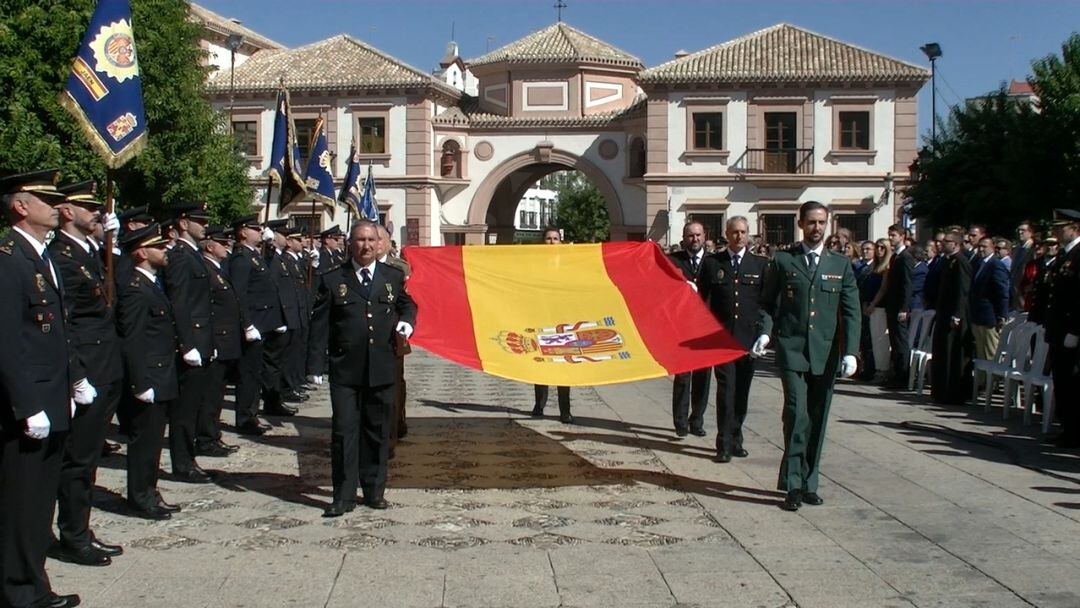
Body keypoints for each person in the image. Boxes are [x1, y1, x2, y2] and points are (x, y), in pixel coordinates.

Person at [0, 169, 81, 608]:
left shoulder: (40, 255)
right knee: (22, 503)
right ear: (20, 206)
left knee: (38, 505)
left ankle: (33, 583)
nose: (57, 206)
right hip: (28, 405)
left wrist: (73, 382)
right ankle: (18, 591)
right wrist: (27, 404)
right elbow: (6, 339)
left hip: (53, 398)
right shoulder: (8, 257)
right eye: (46, 198)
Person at [754, 201, 860, 512]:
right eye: (811, 222)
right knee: (796, 414)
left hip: (825, 352)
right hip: (792, 350)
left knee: (818, 417)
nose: (817, 228)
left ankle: (810, 481)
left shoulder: (839, 265)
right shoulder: (785, 261)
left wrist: (851, 351)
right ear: (801, 224)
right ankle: (793, 483)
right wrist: (765, 332)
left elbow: (852, 312)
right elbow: (768, 303)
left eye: (822, 223)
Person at [308, 221, 416, 517]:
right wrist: (315, 363)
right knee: (344, 432)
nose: (366, 245)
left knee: (378, 431)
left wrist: (407, 321)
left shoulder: (391, 276)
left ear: (379, 242)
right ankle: (342, 496)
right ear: (350, 243)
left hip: (382, 368)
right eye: (360, 240)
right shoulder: (332, 279)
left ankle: (373, 490)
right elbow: (319, 326)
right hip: (345, 370)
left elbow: (408, 305)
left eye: (371, 240)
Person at [47, 181, 124, 567]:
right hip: (88, 372)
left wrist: (109, 242)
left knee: (87, 459)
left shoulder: (86, 253)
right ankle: (72, 534)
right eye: (87, 206)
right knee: (77, 461)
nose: (97, 211)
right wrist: (78, 377)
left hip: (105, 368)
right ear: (66, 212)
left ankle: (79, 527)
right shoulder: (61, 257)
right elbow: (68, 324)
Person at [116, 223, 182, 522]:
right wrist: (140, 382)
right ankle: (140, 496)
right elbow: (132, 339)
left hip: (162, 373)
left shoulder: (151, 284)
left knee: (154, 441)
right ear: (141, 252)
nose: (165, 249)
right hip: (149, 378)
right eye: (158, 246)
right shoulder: (135, 289)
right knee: (144, 442)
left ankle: (149, 490)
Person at [698, 216, 766, 462]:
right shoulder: (712, 263)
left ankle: (736, 437)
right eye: (734, 232)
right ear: (726, 234)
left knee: (742, 393)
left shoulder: (759, 265)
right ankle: (723, 443)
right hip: (722, 338)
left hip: (748, 341)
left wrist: (764, 334)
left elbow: (764, 304)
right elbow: (702, 301)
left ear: (749, 234)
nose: (739, 236)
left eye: (743, 232)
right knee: (726, 391)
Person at [161, 204, 216, 484]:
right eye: (199, 220)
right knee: (184, 410)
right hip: (191, 341)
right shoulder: (180, 256)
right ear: (183, 223)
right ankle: (182, 463)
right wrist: (186, 343)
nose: (204, 224)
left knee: (194, 405)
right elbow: (179, 303)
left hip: (203, 339)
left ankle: (189, 456)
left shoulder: (193, 254)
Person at [227, 215, 278, 436]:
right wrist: (246, 324)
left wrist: (269, 247)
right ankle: (245, 418)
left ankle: (251, 414)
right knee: (248, 375)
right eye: (255, 229)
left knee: (255, 373)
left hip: (261, 323)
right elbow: (239, 294)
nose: (260, 232)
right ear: (243, 232)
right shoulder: (241, 258)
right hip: (252, 325)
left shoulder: (253, 256)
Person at [194, 227, 242, 457]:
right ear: (210, 247)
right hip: (216, 341)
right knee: (209, 395)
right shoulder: (205, 270)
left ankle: (212, 435)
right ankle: (205, 438)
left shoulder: (218, 269)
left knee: (217, 394)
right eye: (223, 244)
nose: (227, 246)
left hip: (225, 341)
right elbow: (206, 309)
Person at [669, 221, 711, 436]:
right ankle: (680, 421)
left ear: (704, 236)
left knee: (703, 378)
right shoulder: (674, 261)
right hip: (682, 328)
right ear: (684, 238)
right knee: (683, 377)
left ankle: (697, 420)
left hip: (706, 328)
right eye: (690, 236)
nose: (694, 239)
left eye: (698, 235)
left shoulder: (712, 262)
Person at [1045, 209, 1080, 448]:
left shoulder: (1078, 255)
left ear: (1075, 228)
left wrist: (1075, 330)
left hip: (1070, 330)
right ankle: (1067, 428)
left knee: (1072, 383)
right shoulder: (1064, 255)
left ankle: (1074, 431)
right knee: (1062, 381)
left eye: (1062, 227)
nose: (1057, 232)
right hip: (1058, 328)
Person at [531, 227, 574, 423]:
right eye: (548, 239)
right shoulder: (535, 265)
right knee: (540, 363)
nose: (552, 242)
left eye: (555, 239)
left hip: (563, 322)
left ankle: (565, 410)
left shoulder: (569, 264)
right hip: (541, 318)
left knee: (563, 365)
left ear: (561, 242)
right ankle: (539, 405)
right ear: (543, 242)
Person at [377, 225, 412, 449]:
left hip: (392, 337)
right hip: (364, 337)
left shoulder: (398, 269)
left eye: (380, 239)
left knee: (395, 383)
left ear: (389, 242)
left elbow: (408, 301)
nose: (375, 243)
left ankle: (395, 426)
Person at [931, 230, 973, 405]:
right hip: (943, 312)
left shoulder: (961, 262)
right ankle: (941, 391)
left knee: (953, 354)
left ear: (955, 244)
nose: (942, 244)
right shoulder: (947, 261)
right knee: (942, 352)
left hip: (954, 315)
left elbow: (963, 291)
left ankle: (953, 393)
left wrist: (958, 314)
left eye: (946, 241)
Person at [969, 236, 1010, 369]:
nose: (981, 249)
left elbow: (1002, 292)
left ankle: (991, 383)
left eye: (984, 247)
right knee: (980, 351)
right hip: (977, 314)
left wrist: (1002, 315)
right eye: (979, 246)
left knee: (990, 351)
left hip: (990, 315)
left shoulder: (996, 265)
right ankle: (981, 382)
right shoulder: (978, 264)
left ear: (992, 247)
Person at [882, 224, 914, 388]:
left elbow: (907, 285)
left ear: (902, 236)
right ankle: (896, 375)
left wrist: (904, 308)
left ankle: (903, 377)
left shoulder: (906, 257)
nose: (890, 238)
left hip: (899, 307)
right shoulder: (895, 257)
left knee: (901, 342)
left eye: (893, 235)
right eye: (889, 235)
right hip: (892, 305)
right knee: (894, 342)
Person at [860, 239, 891, 380]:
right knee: (873, 340)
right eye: (877, 247)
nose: (879, 250)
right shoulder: (874, 267)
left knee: (881, 341)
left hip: (880, 307)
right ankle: (875, 368)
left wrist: (873, 303)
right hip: (872, 306)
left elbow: (883, 289)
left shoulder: (887, 267)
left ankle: (883, 370)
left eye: (882, 248)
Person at [1010, 221, 1035, 311]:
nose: (1020, 232)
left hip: (1025, 293)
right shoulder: (1017, 249)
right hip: (1015, 292)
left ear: (1031, 232)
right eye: (1019, 230)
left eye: (1023, 230)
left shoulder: (1033, 249)